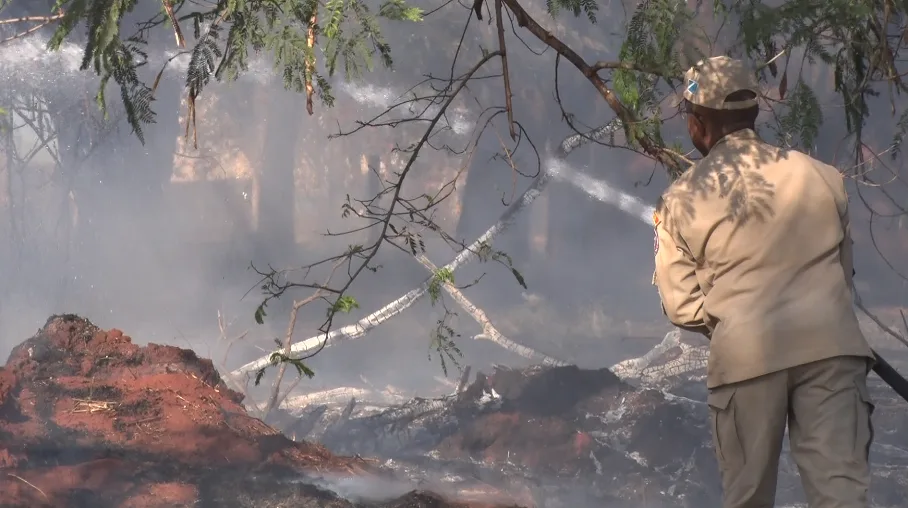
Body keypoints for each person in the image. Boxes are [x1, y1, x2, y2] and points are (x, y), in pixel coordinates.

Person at [652, 55, 877, 508]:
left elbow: (682, 307)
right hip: (831, 350)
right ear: (752, 113)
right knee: (843, 497)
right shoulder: (825, 178)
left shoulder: (682, 198)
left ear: (698, 126)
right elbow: (842, 273)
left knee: (749, 498)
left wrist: (734, 313)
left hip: (746, 359)